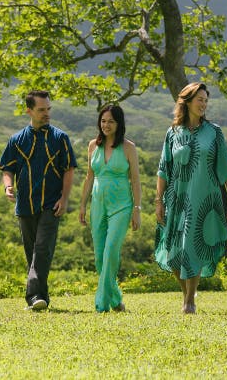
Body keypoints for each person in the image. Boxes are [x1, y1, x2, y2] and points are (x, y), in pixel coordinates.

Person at [154, 81, 227, 314]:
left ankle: (190, 300)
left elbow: (225, 166)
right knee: (173, 250)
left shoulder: (214, 132)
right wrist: (158, 201)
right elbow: (163, 169)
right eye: (200, 100)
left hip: (204, 198)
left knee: (195, 245)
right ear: (187, 102)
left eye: (206, 100)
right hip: (176, 197)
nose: (203, 104)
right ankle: (186, 293)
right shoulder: (172, 132)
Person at [0, 90, 76, 312]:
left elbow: (69, 169)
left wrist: (64, 198)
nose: (46, 113)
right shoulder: (16, 140)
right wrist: (8, 186)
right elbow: (7, 168)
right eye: (41, 110)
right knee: (32, 254)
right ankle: (40, 298)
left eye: (48, 109)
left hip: (51, 204)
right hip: (24, 205)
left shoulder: (60, 138)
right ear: (29, 111)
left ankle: (33, 296)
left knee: (42, 249)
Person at [78, 104, 142, 313]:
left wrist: (137, 209)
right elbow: (89, 177)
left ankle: (102, 304)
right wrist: (82, 205)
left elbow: (135, 180)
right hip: (98, 205)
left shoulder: (128, 147)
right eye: (103, 121)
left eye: (111, 121)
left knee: (111, 250)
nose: (106, 125)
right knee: (99, 257)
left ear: (119, 123)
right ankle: (116, 300)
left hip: (121, 206)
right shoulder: (92, 146)